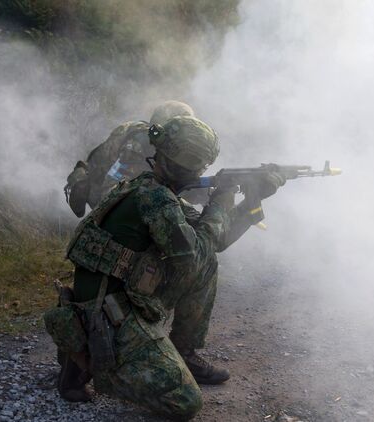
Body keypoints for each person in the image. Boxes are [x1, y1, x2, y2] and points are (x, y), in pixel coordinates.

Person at [45, 116, 285, 420]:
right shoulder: (155, 199)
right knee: (184, 402)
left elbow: (213, 241)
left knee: (207, 262)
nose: (202, 173)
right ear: (188, 166)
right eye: (200, 168)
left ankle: (182, 352)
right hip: (107, 318)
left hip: (118, 302)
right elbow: (196, 251)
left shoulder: (153, 190)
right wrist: (222, 197)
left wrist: (252, 201)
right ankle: (88, 362)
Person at [65, 100, 195, 217]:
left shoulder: (137, 129)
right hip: (99, 193)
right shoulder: (140, 143)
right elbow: (110, 194)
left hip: (99, 181)